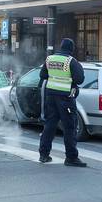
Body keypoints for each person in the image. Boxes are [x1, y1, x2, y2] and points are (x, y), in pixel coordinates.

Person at [38, 38, 86, 167]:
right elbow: (80, 79)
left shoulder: (50, 59)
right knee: (70, 127)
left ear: (61, 47)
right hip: (65, 98)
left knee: (49, 126)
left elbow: (42, 75)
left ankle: (43, 155)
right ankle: (71, 157)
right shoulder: (71, 61)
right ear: (71, 49)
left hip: (51, 96)